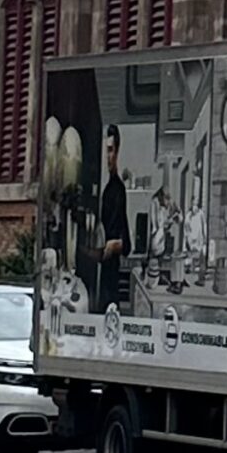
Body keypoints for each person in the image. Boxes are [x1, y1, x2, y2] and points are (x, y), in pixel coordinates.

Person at [96, 125, 129, 315]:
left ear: (116, 153)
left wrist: (115, 245)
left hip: (108, 274)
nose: (107, 156)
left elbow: (126, 243)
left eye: (110, 150)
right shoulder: (99, 187)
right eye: (105, 150)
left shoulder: (117, 189)